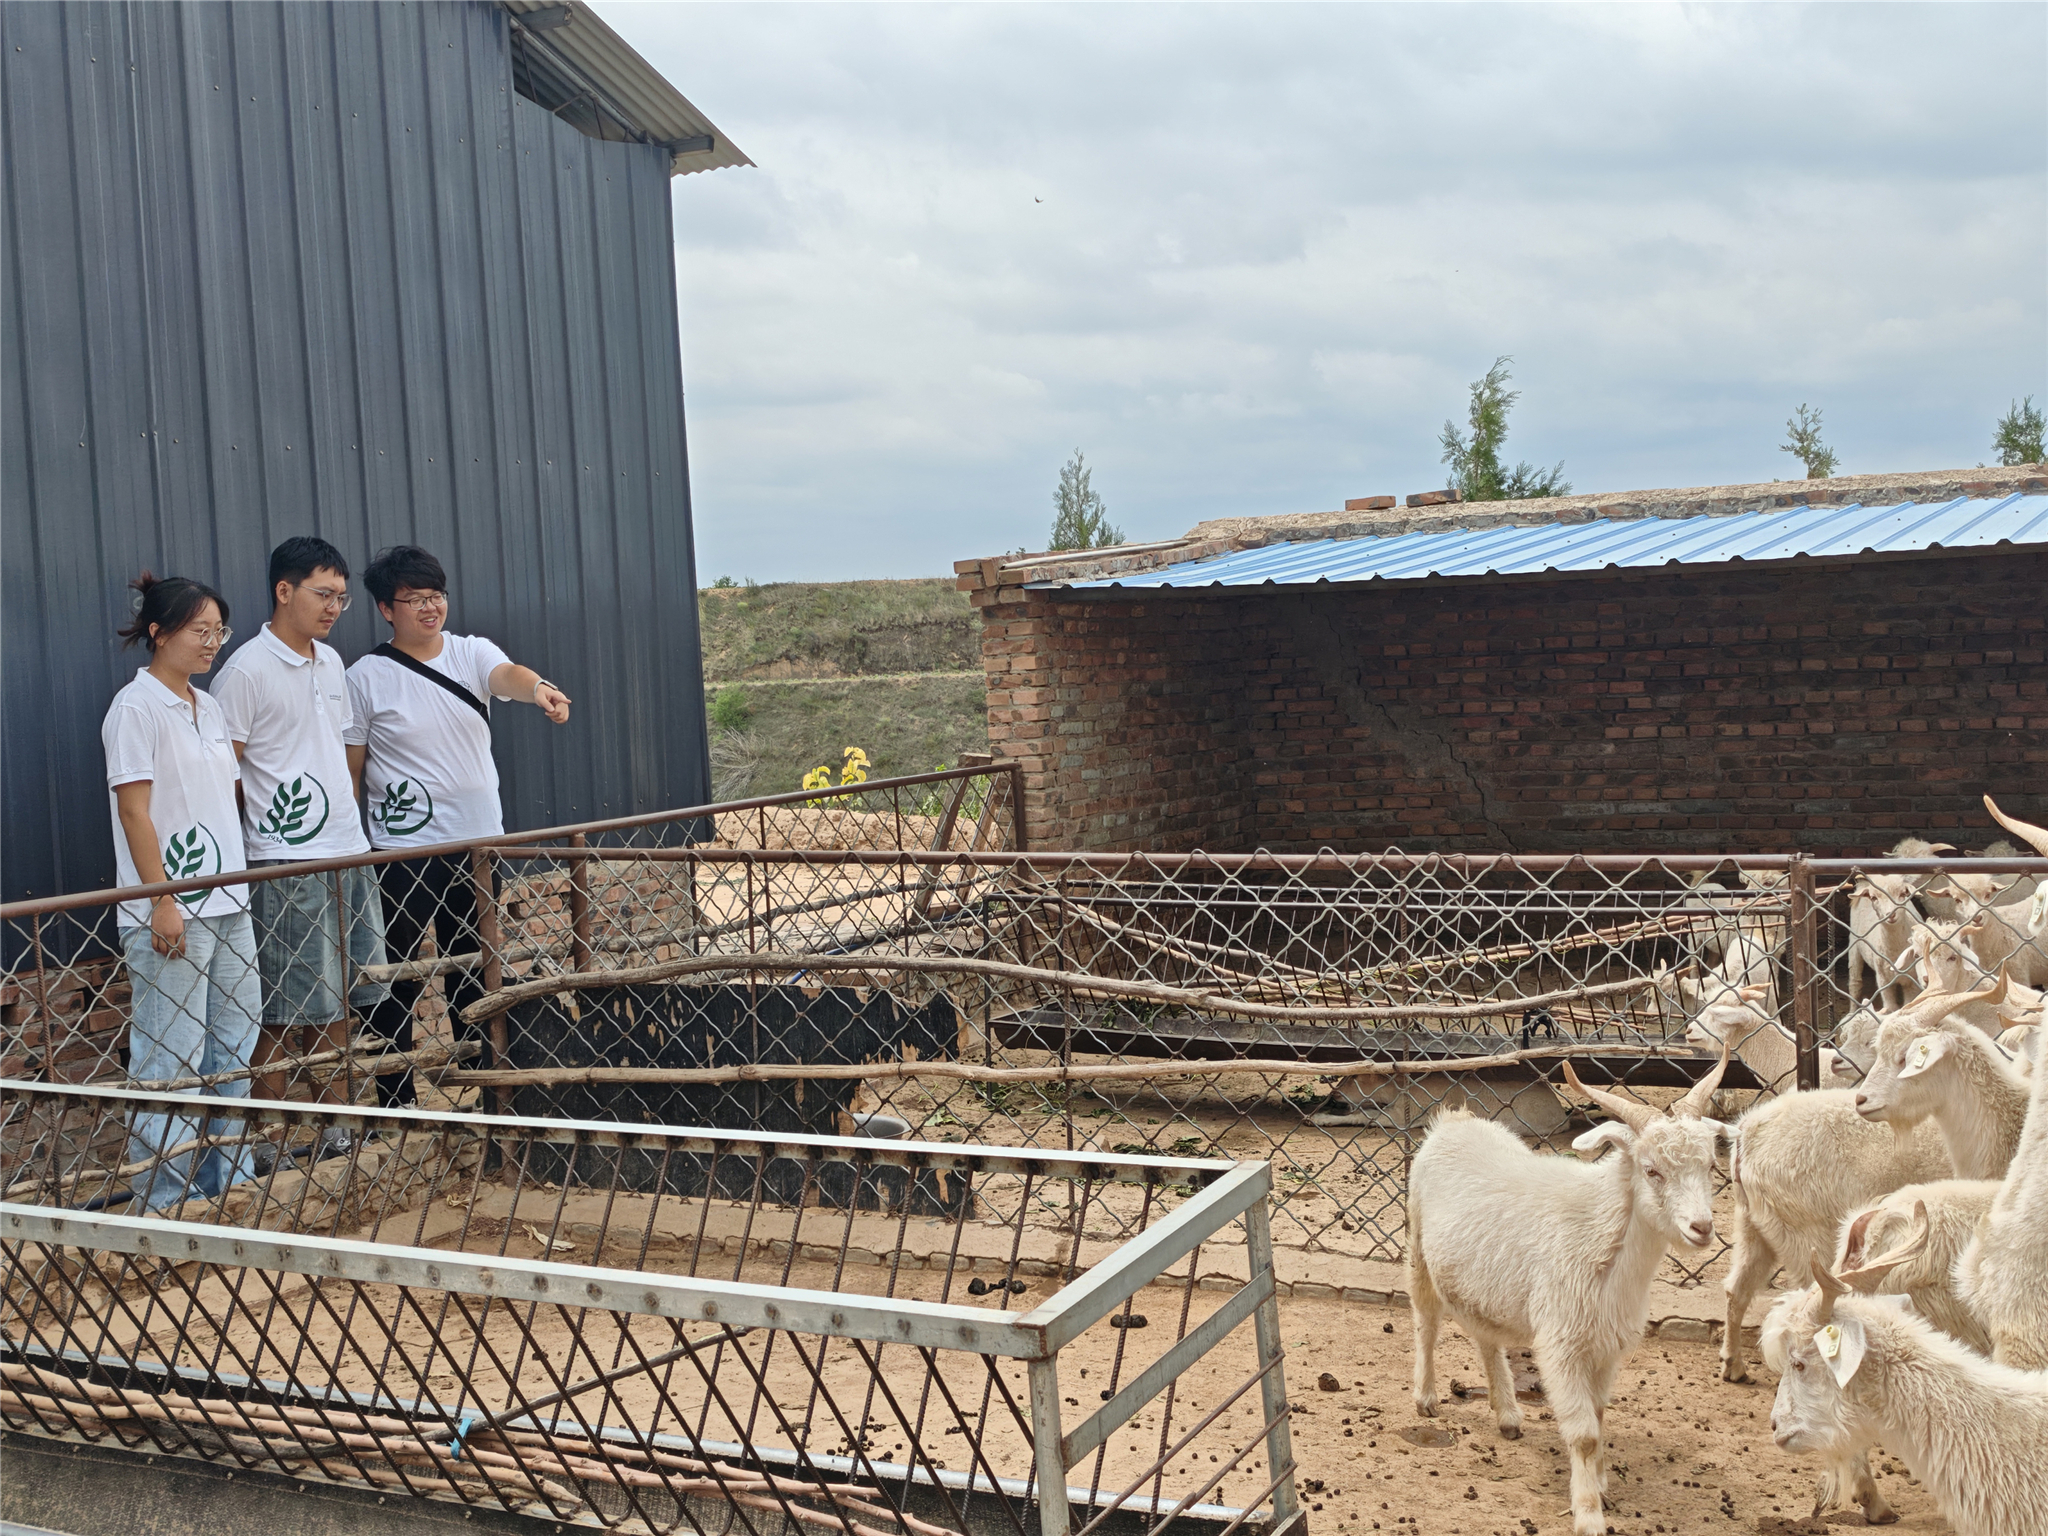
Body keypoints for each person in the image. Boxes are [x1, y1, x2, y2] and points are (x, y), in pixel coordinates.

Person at [347, 545, 571, 1107]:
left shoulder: (471, 652)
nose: (429, 608)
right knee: (393, 975)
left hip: (476, 847)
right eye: (415, 599)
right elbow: (353, 769)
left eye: (436, 596)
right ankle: (395, 1098)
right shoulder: (365, 678)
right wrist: (359, 845)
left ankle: (478, 1085)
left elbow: (507, 675)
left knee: (473, 970)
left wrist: (538, 687)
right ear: (385, 609)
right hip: (400, 851)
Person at [212, 537, 388, 1158]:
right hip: (284, 859)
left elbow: (338, 751)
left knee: (341, 996)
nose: (335, 607)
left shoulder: (332, 662)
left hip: (347, 849)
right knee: (282, 1004)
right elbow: (224, 770)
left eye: (341, 597)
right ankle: (272, 1139)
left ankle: (336, 1123)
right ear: (283, 591)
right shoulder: (245, 670)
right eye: (323, 594)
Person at [103, 572, 261, 1210]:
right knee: (171, 1053)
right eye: (200, 630)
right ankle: (165, 1200)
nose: (212, 642)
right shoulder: (134, 709)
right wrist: (162, 901)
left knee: (235, 1042)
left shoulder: (210, 705)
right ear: (157, 631)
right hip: (171, 910)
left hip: (230, 902)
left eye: (218, 630)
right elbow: (135, 813)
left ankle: (235, 1187)